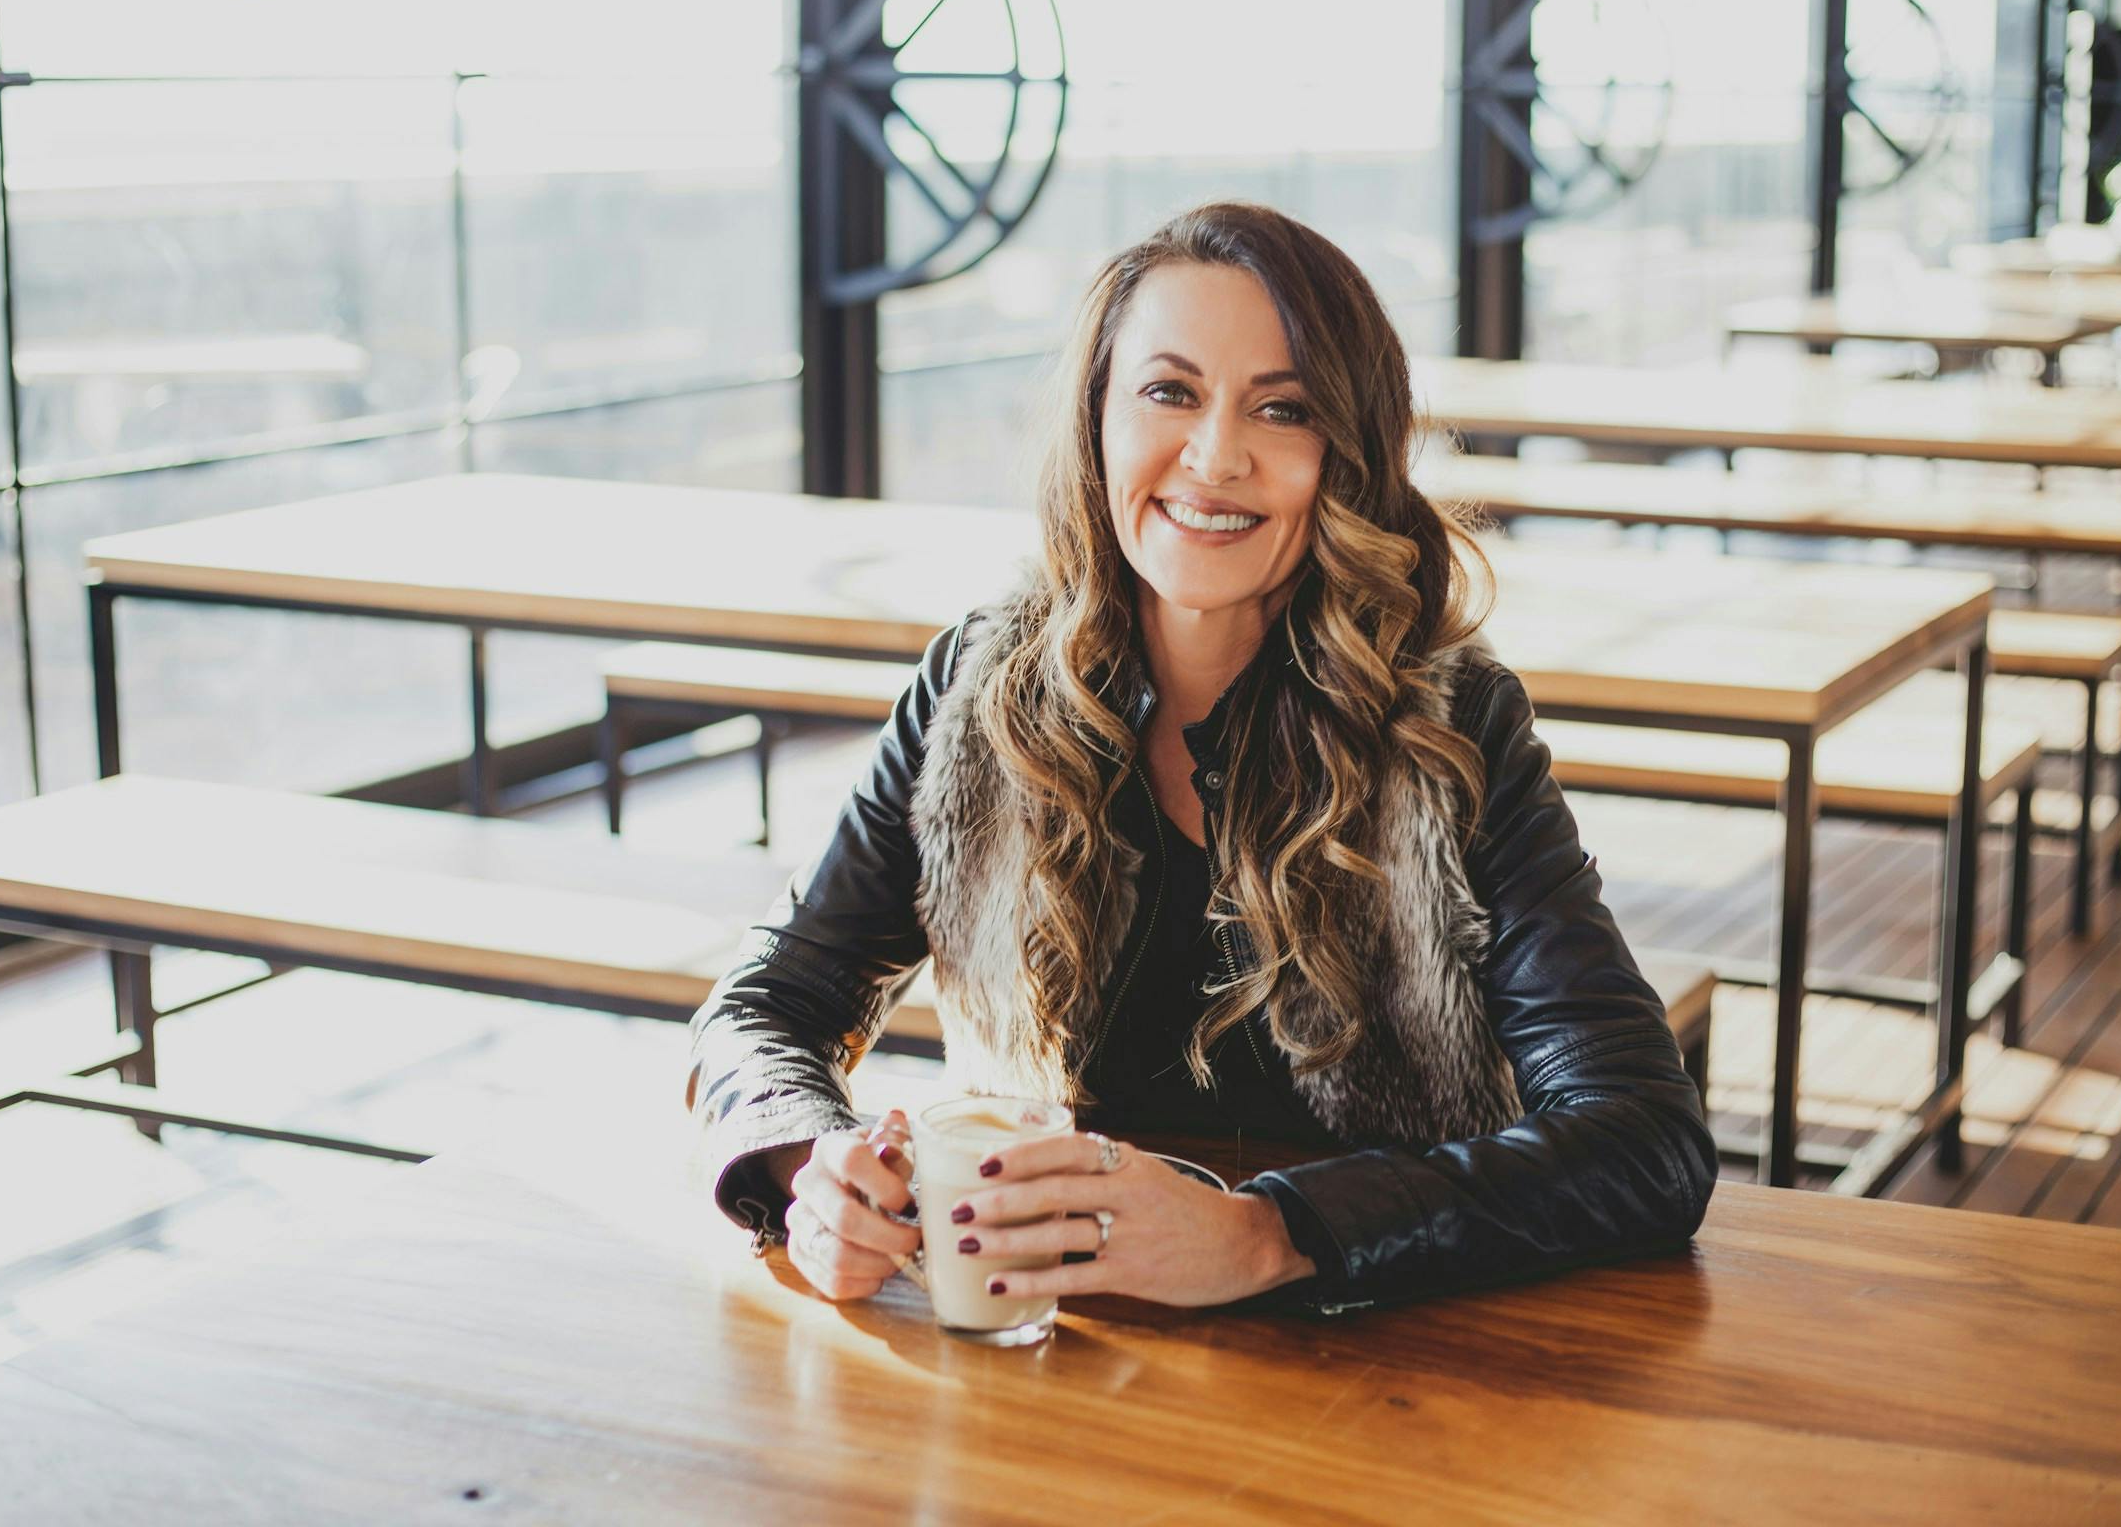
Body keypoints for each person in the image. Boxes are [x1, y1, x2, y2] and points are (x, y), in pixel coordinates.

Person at [687, 201, 1715, 1315]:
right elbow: (764, 1009)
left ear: (1345, 455)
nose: (1217, 456)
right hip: (1040, 1343)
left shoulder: (1453, 724)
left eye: (1283, 409)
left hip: (1386, 1354)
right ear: (1097, 419)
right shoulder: (977, 690)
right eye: (1169, 392)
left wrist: (1267, 1236)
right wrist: (811, 1168)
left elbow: (1644, 1139)